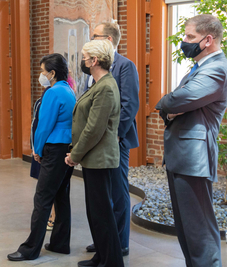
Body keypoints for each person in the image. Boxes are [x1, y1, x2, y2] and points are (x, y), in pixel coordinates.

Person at [156, 14, 226, 267]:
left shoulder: (217, 68)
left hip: (193, 157)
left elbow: (175, 100)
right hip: (182, 156)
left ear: (208, 40)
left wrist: (167, 104)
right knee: (187, 229)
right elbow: (177, 101)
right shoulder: (201, 68)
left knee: (199, 230)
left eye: (189, 37)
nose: (184, 42)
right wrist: (171, 106)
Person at [8, 53, 76, 262]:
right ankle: (60, 243)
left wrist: (36, 149)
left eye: (43, 71)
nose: (41, 75)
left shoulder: (52, 93)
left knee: (43, 198)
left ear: (52, 73)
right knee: (61, 196)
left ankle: (30, 249)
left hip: (53, 149)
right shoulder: (69, 91)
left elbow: (43, 125)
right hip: (66, 148)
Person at [65, 40, 124, 267]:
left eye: (83, 56)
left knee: (102, 214)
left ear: (94, 60)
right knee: (96, 213)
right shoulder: (98, 84)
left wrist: (74, 155)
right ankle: (101, 256)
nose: (82, 60)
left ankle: (112, 262)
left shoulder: (106, 87)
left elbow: (94, 129)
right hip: (93, 159)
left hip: (100, 159)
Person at [84, 22, 139, 256]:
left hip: (115, 141)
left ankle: (120, 243)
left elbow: (129, 105)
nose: (91, 38)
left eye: (94, 35)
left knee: (117, 192)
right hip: (97, 141)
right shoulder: (93, 64)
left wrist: (114, 136)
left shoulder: (125, 66)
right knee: (101, 194)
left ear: (107, 39)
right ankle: (105, 241)